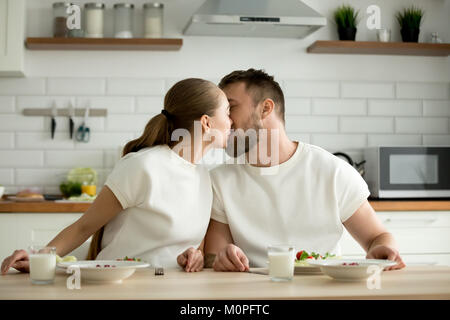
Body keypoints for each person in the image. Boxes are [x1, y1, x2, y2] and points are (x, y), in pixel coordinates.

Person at [1, 78, 232, 275]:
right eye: (227, 113)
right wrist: (40, 258)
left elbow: (183, 247)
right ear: (206, 122)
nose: (232, 122)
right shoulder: (144, 166)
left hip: (169, 288)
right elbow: (84, 227)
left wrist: (193, 256)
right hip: (118, 287)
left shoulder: (203, 177)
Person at [203, 69, 406, 272]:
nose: (223, 121)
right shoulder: (220, 180)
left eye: (231, 109)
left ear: (265, 109)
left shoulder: (332, 171)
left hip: (323, 288)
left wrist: (384, 249)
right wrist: (221, 259)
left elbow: (376, 237)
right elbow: (214, 256)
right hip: (256, 292)